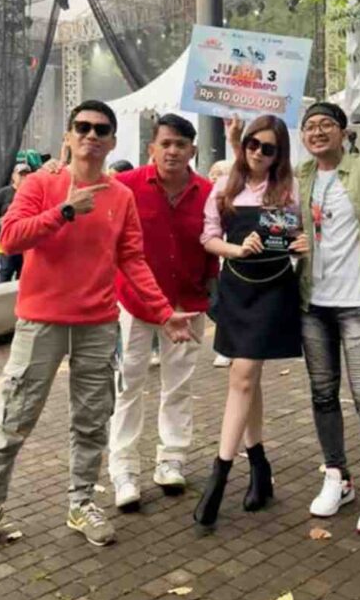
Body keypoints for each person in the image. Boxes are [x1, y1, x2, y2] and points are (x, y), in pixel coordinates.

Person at [0, 100, 197, 559]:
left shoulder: (120, 197)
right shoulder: (41, 184)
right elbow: (9, 238)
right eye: (82, 127)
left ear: (112, 141)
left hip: (97, 325)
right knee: (14, 419)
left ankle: (81, 502)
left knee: (91, 422)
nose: (91, 135)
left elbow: (132, 260)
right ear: (68, 136)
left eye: (101, 130)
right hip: (40, 322)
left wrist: (164, 313)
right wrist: (63, 211)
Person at [194, 115, 308, 526]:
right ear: (243, 146)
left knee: (242, 376)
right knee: (247, 379)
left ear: (280, 154)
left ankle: (220, 475)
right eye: (252, 144)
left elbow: (300, 235)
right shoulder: (225, 186)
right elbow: (208, 238)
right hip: (238, 289)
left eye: (268, 148)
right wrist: (237, 249)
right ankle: (259, 467)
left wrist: (302, 243)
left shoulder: (290, 188)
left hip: (274, 290)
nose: (259, 152)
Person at [296, 102, 360, 535]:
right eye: (310, 126)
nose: (318, 132)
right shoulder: (301, 176)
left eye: (327, 124)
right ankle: (337, 477)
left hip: (358, 301)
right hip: (313, 304)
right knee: (322, 395)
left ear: (344, 132)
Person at [108, 114, 217, 509]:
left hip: (187, 304)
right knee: (128, 384)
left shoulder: (207, 193)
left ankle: (172, 459)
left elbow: (212, 245)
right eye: (166, 143)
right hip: (135, 303)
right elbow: (84, 190)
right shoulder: (125, 185)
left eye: (181, 144)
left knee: (178, 385)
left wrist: (209, 292)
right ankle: (123, 469)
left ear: (193, 150)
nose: (173, 151)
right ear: (151, 148)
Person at [206, 158, 233, 368]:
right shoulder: (206, 199)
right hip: (210, 263)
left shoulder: (236, 201)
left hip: (230, 264)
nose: (215, 177)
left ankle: (226, 348)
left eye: (220, 173)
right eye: (213, 173)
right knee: (212, 305)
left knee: (222, 305)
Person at [0, 163, 31, 282]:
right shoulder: (2, 194)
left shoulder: (32, 193)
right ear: (14, 176)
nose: (24, 178)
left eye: (27, 175)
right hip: (8, 242)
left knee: (23, 273)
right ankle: (0, 294)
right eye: (21, 175)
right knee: (6, 270)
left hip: (25, 242)